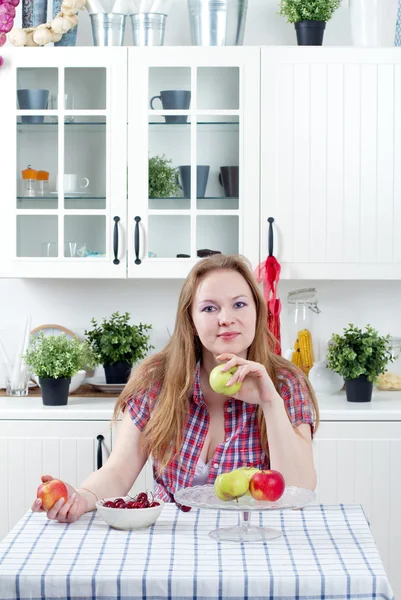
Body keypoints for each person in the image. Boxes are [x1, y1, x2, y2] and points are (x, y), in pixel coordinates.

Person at [31, 253, 319, 523]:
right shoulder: (156, 380)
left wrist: (270, 402)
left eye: (240, 304)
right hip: (169, 543)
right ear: (191, 321)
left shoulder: (285, 383)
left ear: (257, 311)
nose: (226, 318)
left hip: (251, 542)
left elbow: (297, 492)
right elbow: (118, 471)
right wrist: (82, 497)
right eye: (209, 308)